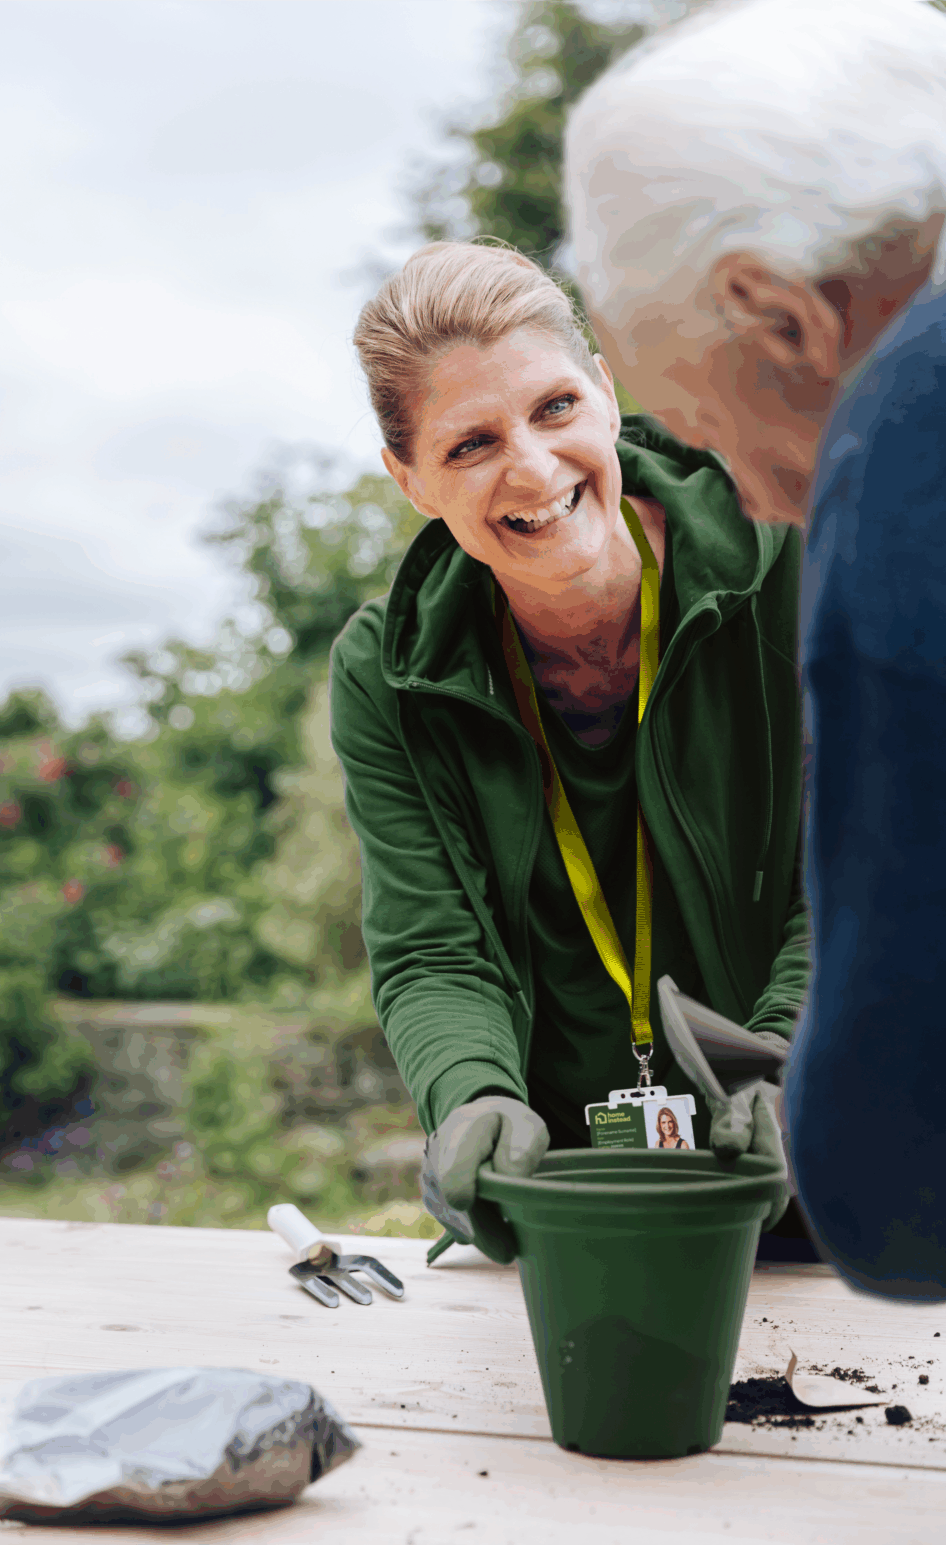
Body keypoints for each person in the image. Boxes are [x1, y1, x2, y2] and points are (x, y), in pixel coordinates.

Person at [565, 0, 946, 1296]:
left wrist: (818, 1108)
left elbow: (907, 1191)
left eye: (713, 438)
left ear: (782, 315)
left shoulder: (911, 415)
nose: (765, 502)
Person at [331, 240, 804, 1262]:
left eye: (553, 408)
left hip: (826, 1177)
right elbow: (430, 945)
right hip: (570, 1216)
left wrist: (788, 1062)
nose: (533, 468)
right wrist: (471, 1100)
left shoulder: (793, 561)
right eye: (470, 444)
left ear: (603, 391)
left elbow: (879, 869)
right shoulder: (386, 674)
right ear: (409, 480)